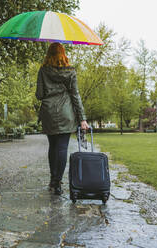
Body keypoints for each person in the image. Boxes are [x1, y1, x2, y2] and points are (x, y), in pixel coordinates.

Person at [36, 42, 89, 195]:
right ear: (63, 54)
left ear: (49, 54)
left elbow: (39, 95)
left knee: (53, 147)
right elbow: (75, 95)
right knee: (62, 148)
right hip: (66, 113)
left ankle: (53, 180)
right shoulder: (71, 72)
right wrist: (82, 118)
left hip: (49, 113)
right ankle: (58, 183)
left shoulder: (43, 71)